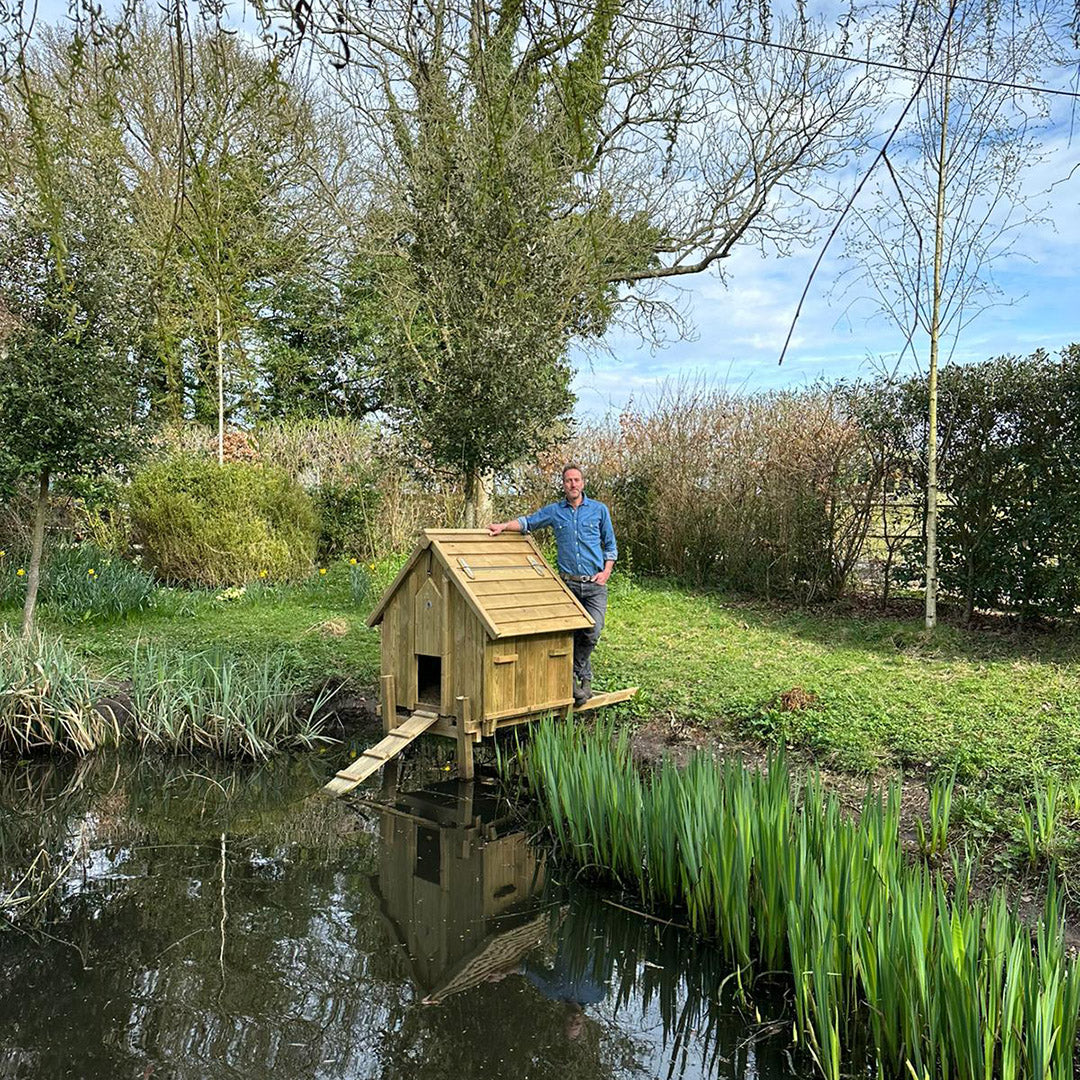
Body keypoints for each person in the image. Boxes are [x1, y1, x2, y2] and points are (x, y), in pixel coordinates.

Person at [488, 464, 616, 706]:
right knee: (569, 633)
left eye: (577, 480)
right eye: (568, 480)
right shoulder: (556, 511)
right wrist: (504, 526)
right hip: (568, 585)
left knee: (592, 631)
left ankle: (574, 674)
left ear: (583, 483)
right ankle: (582, 682)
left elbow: (610, 545)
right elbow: (529, 522)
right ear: (564, 485)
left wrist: (606, 571)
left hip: (595, 585)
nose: (573, 484)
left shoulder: (599, 511)